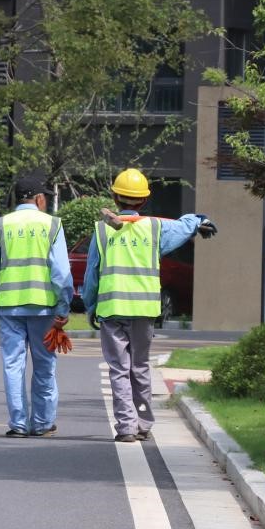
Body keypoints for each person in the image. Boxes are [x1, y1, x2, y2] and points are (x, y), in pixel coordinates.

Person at [81, 168, 217, 442]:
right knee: (140, 367)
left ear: (115, 197)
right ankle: (143, 422)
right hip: (144, 311)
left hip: (112, 310)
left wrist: (90, 304)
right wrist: (199, 219)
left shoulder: (102, 231)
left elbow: (92, 274)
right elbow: (183, 226)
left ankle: (126, 427)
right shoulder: (155, 228)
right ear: (144, 200)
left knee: (119, 369)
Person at [0, 178, 73, 438]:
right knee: (45, 366)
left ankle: (18, 424)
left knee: (12, 365)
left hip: (10, 309)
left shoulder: (1, 225)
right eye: (45, 197)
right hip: (44, 308)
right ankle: (42, 423)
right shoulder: (52, 224)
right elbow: (61, 274)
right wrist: (63, 309)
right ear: (38, 199)